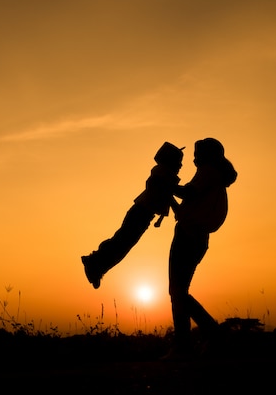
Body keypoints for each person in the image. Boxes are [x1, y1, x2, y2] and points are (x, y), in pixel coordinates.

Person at [163, 137, 237, 361]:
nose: (193, 158)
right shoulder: (212, 176)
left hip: (189, 236)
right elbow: (186, 208)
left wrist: (167, 186)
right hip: (195, 236)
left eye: (197, 154)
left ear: (207, 155)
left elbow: (189, 194)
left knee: (178, 293)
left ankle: (202, 339)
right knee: (178, 292)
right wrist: (170, 194)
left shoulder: (208, 172)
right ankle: (198, 340)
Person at [81, 142, 185, 289]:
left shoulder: (162, 174)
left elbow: (167, 192)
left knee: (122, 243)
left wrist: (175, 207)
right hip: (141, 214)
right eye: (179, 162)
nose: (181, 166)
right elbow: (167, 191)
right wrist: (177, 207)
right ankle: (95, 261)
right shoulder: (162, 174)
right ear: (170, 161)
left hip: (142, 215)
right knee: (122, 243)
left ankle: (98, 266)